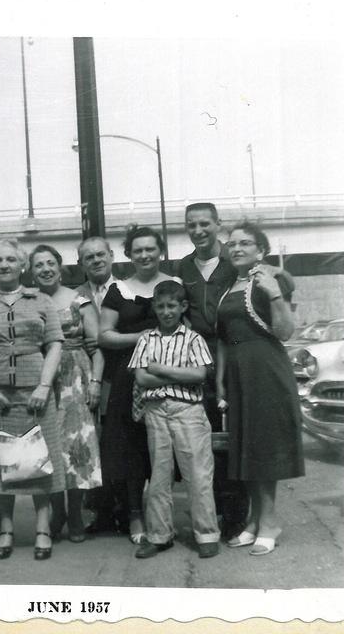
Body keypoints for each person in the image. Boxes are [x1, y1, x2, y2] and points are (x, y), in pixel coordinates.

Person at [0, 239, 66, 561]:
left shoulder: (41, 301)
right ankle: (4, 529)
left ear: (22, 265)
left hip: (35, 394)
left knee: (38, 463)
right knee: (0, 465)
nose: (5, 265)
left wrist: (43, 386)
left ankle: (42, 530)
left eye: (11, 259)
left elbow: (54, 344)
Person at [216, 221, 304, 555]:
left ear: (260, 250)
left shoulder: (271, 279)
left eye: (245, 243)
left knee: (265, 447)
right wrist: (222, 381)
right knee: (246, 447)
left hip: (266, 370)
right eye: (232, 243)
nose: (236, 248)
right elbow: (224, 339)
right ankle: (253, 521)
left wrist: (275, 294)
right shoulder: (230, 284)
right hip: (238, 374)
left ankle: (270, 522)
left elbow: (285, 332)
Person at [98, 224, 179, 543]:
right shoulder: (118, 290)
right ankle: (135, 516)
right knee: (131, 449)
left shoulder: (175, 286)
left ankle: (162, 514)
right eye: (138, 250)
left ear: (161, 252)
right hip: (127, 377)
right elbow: (104, 335)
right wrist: (143, 337)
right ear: (128, 254)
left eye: (151, 249)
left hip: (166, 374)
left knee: (163, 447)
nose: (145, 255)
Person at [128, 280, 220, 559]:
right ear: (154, 308)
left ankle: (206, 533)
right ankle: (159, 535)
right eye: (161, 306)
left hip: (188, 411)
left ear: (182, 307)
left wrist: (161, 369)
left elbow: (199, 375)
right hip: (156, 411)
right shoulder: (146, 339)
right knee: (159, 476)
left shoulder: (193, 339)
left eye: (172, 306)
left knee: (198, 474)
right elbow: (141, 377)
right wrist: (176, 372)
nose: (166, 312)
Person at [176, 202, 249, 538]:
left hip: (233, 357)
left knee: (235, 436)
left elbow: (272, 278)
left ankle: (236, 514)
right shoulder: (183, 266)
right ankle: (214, 509)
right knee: (205, 439)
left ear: (218, 224)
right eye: (192, 225)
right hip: (199, 362)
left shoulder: (233, 261)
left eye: (205, 223)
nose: (198, 231)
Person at [29, 244, 103, 543]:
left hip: (75, 379)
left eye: (50, 263)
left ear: (60, 267)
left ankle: (74, 514)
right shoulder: (27, 301)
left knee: (76, 448)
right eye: (38, 265)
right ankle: (56, 512)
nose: (45, 269)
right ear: (31, 271)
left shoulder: (79, 301)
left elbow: (97, 349)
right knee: (48, 449)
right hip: (40, 381)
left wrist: (96, 383)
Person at [75, 237, 118, 533]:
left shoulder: (126, 289)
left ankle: (126, 509)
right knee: (94, 442)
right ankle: (100, 511)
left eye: (100, 254)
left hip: (123, 374)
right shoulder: (74, 295)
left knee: (120, 442)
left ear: (112, 256)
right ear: (81, 264)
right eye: (88, 257)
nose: (96, 260)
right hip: (87, 376)